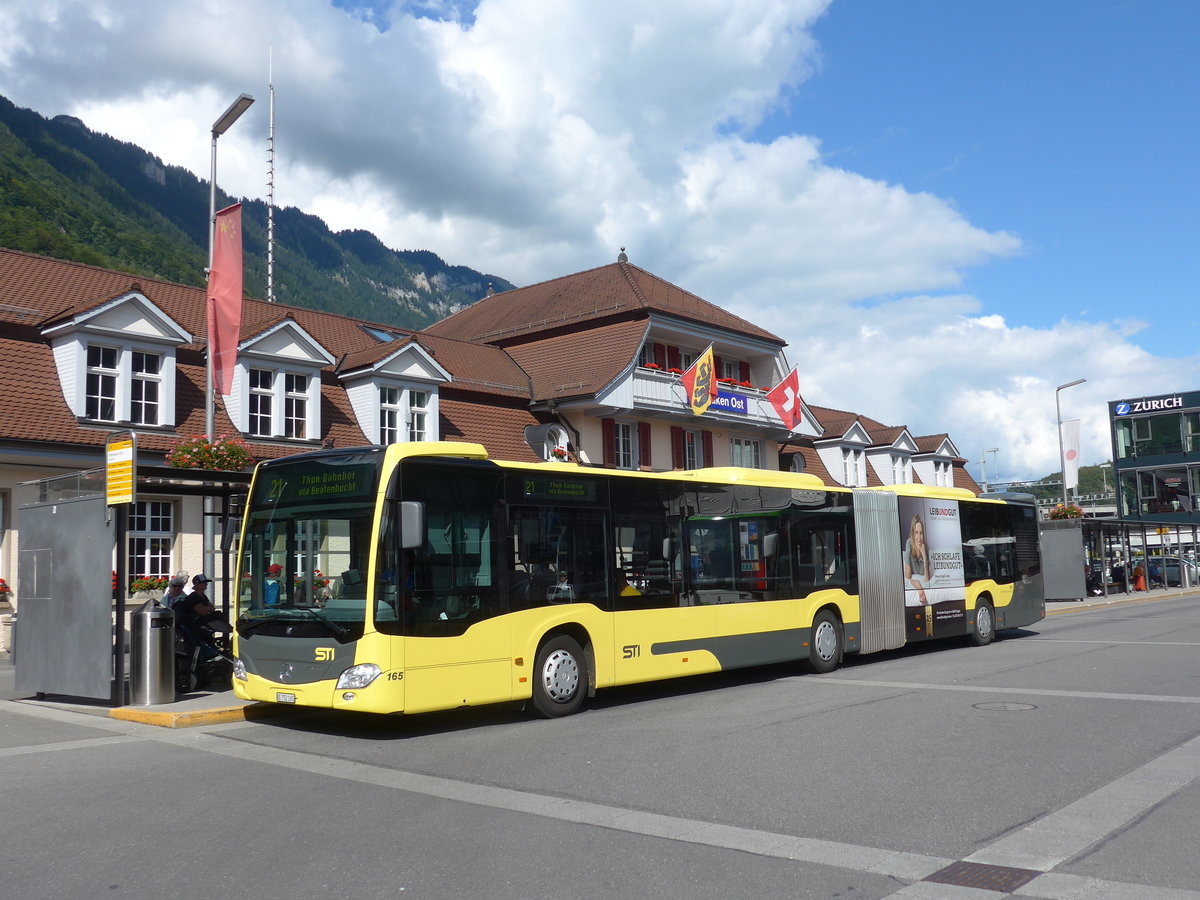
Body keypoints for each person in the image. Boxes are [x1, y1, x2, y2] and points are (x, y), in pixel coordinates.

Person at [903, 514, 930, 605]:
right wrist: (918, 586)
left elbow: (927, 579)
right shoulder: (909, 543)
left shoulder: (925, 547)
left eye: (921, 533)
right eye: (916, 532)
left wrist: (925, 557)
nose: (919, 537)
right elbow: (907, 576)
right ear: (912, 534)